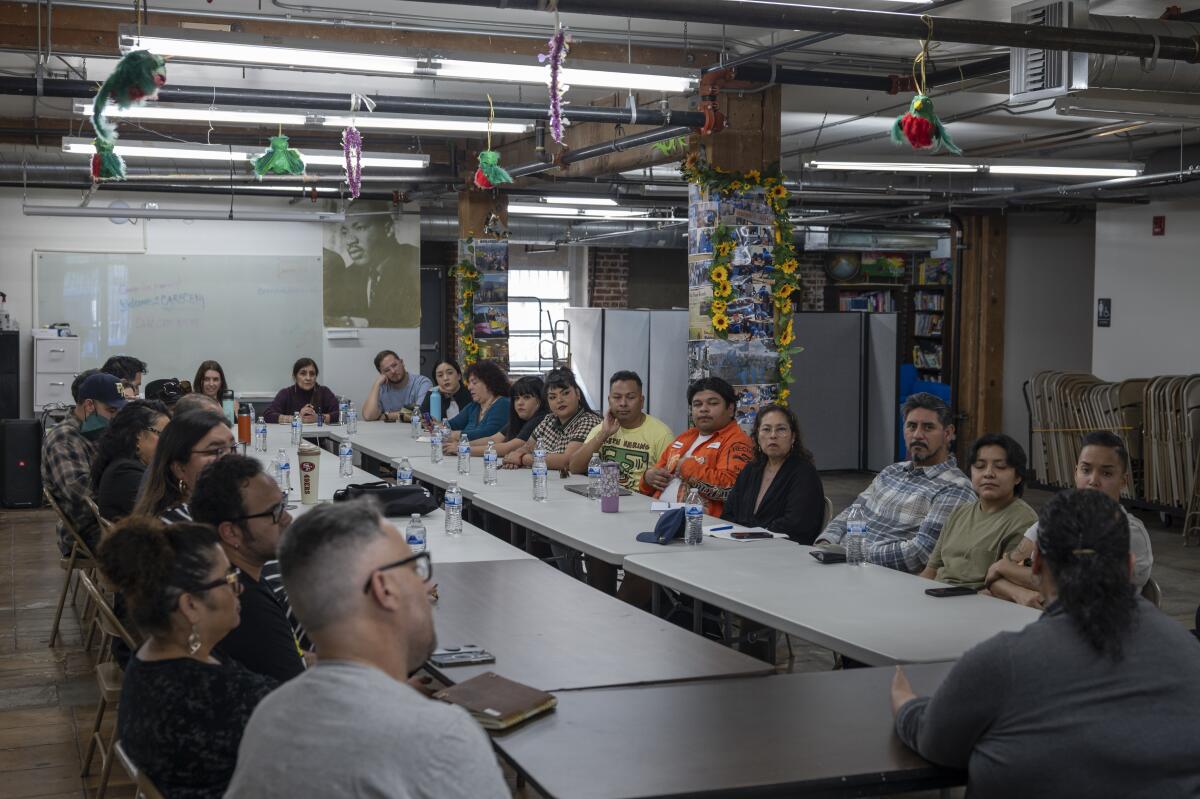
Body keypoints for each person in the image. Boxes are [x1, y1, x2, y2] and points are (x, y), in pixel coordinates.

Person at [891, 490, 1200, 799]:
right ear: (1130, 568)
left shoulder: (1003, 662)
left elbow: (934, 740)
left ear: (1036, 565)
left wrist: (905, 703)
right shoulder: (1189, 654)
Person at [223, 500, 510, 798]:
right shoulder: (441, 737)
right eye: (415, 569)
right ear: (384, 589)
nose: (427, 587)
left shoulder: (270, 715)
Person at [97, 517, 276, 799]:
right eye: (229, 578)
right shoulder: (226, 697)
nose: (238, 587)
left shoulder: (145, 660)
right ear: (190, 605)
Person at [985, 431, 1153, 606]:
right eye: (1086, 470)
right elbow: (993, 579)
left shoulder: (1129, 533)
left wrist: (1003, 568)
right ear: (1075, 473)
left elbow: (1076, 588)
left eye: (1107, 474)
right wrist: (1021, 594)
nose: (1093, 481)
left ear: (1123, 481)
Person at [815, 392, 975, 573]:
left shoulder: (955, 488)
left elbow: (920, 553)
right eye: (911, 426)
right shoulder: (891, 471)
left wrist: (851, 552)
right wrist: (825, 542)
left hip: (884, 578)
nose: (917, 435)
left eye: (928, 428)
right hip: (844, 565)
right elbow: (851, 515)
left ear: (948, 433)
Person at [190, 455, 305, 682]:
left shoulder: (231, 575)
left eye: (283, 504)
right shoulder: (244, 605)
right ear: (231, 532)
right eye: (274, 512)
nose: (287, 518)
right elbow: (296, 691)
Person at [918, 433, 1037, 589]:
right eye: (980, 466)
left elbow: (1008, 587)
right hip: (936, 594)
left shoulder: (1024, 521)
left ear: (1018, 477)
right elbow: (930, 571)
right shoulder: (958, 513)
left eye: (1000, 466)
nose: (988, 473)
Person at [640, 376, 753, 517]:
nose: (704, 409)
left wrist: (688, 468)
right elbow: (647, 486)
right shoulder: (684, 437)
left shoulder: (737, 442)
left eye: (712, 403)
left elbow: (731, 489)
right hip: (656, 513)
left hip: (699, 525)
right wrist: (648, 478)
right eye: (697, 404)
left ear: (730, 409)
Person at [41, 371, 125, 552]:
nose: (116, 417)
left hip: (109, 519)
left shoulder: (96, 431)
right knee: (154, 547)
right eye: (111, 410)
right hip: (87, 530)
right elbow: (79, 492)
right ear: (89, 405)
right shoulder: (64, 438)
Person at [721, 404, 825, 544]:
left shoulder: (804, 473)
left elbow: (796, 524)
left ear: (793, 437)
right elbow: (728, 513)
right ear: (757, 436)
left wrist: (750, 535)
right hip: (742, 547)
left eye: (781, 429)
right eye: (766, 429)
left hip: (784, 551)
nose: (773, 436)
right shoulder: (751, 469)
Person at [567, 371, 675, 493]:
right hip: (603, 497)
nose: (623, 403)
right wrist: (604, 434)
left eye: (630, 397)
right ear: (609, 400)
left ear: (642, 401)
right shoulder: (602, 429)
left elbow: (670, 482)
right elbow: (574, 467)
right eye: (617, 397)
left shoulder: (661, 434)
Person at [133, 409, 236, 523]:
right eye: (216, 450)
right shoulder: (178, 527)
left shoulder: (213, 510)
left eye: (233, 448)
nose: (230, 457)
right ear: (180, 469)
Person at [322, 209, 420, 329]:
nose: (349, 241)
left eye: (360, 228)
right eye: (345, 232)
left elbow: (414, 323)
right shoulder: (351, 274)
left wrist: (354, 323)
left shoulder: (414, 263)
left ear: (388, 229)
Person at [504, 368, 602, 471]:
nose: (559, 400)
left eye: (565, 393)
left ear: (577, 394)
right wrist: (515, 457)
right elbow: (527, 447)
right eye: (552, 397)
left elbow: (567, 461)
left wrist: (522, 459)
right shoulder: (549, 419)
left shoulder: (589, 421)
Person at [89, 399, 170, 521]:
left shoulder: (124, 466)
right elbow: (167, 516)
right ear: (138, 435)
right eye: (164, 435)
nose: (169, 442)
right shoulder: (125, 473)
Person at [464, 375, 546, 457]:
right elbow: (494, 439)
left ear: (540, 400)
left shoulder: (541, 419)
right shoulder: (519, 419)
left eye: (526, 397)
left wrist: (464, 450)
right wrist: (463, 445)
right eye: (516, 398)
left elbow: (508, 448)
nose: (519, 403)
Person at [441, 359, 511, 451]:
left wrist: (458, 435)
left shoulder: (503, 403)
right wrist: (439, 426)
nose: (469, 387)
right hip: (465, 454)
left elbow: (489, 433)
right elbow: (451, 425)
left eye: (474, 383)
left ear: (489, 383)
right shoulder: (474, 406)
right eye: (469, 383)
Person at [263, 357, 340, 425]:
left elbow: (339, 414)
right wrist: (297, 418)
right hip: (292, 437)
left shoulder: (324, 392)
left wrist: (319, 418)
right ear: (295, 377)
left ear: (316, 376)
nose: (308, 378)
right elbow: (268, 415)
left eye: (312, 374)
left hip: (319, 439)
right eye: (303, 374)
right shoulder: (286, 393)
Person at [361, 350, 432, 421]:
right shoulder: (382, 387)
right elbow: (368, 416)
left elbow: (420, 414)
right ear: (382, 374)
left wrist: (387, 416)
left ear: (402, 362)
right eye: (387, 370)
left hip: (415, 430)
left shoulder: (422, 383)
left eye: (394, 365)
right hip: (388, 431)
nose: (393, 371)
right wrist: (376, 384)